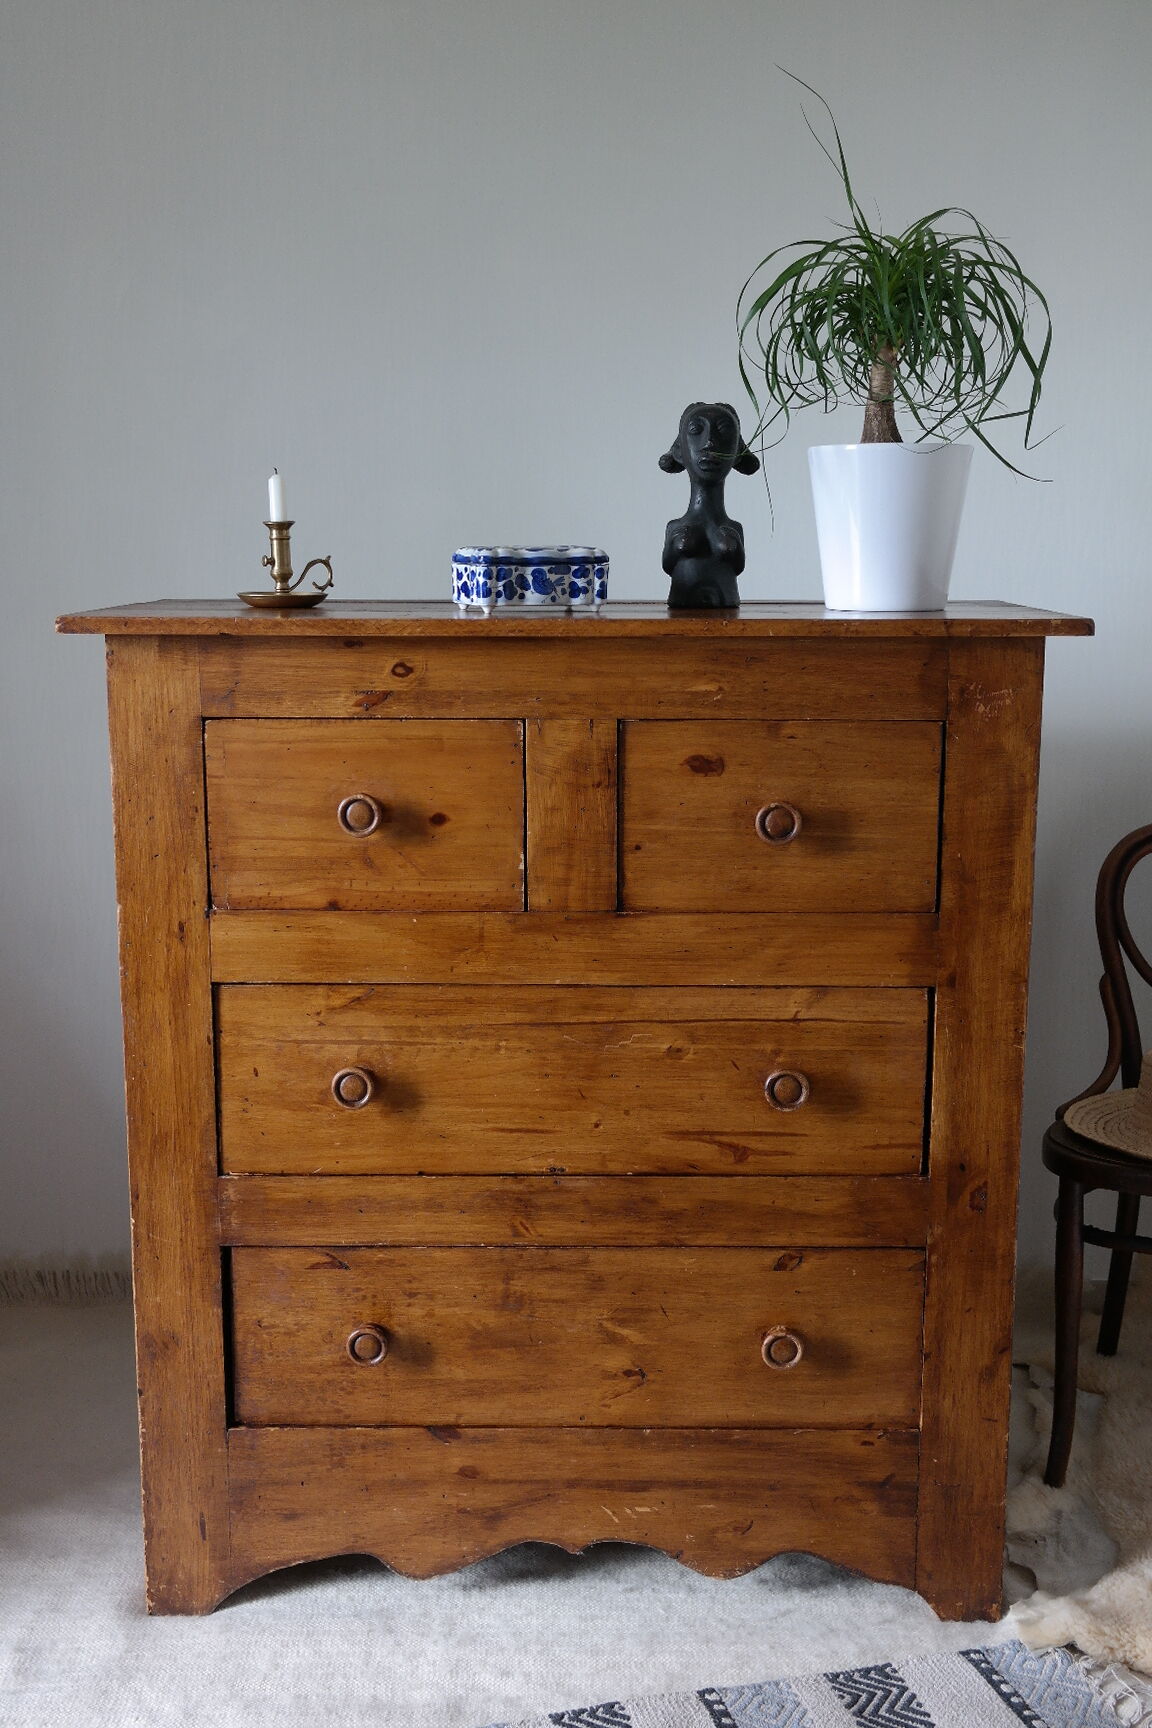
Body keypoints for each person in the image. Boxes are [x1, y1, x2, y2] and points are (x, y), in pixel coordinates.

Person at [659, 401, 760, 608]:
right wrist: (675, 547)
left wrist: (734, 550)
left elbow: (739, 567)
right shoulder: (674, 526)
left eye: (724, 431)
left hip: (727, 605)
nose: (709, 443)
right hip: (680, 609)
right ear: (679, 451)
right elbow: (667, 565)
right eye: (696, 430)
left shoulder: (734, 528)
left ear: (737, 452)